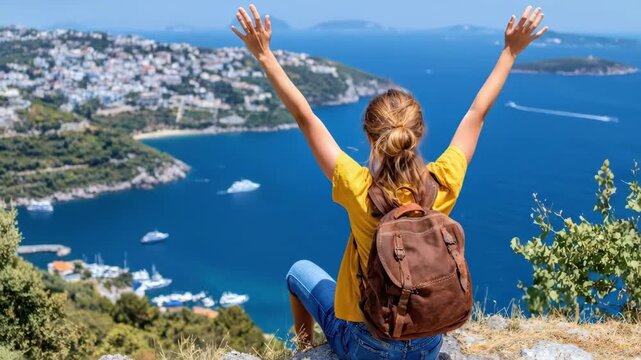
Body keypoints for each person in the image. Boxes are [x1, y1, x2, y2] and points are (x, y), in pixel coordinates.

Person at [232, 4, 548, 359]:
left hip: (367, 345)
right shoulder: (441, 183)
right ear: (419, 133)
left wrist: (263, 54)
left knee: (297, 273)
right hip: (429, 340)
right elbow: (477, 114)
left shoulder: (358, 187)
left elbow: (305, 117)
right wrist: (510, 51)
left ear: (371, 138)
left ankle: (306, 351)